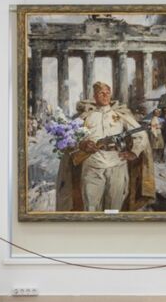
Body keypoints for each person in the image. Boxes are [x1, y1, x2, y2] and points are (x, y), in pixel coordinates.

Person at [55, 82, 155, 212]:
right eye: (101, 93)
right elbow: (70, 138)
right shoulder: (85, 116)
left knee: (113, 209)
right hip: (92, 165)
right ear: (95, 96)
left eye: (107, 93)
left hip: (117, 164)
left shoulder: (120, 114)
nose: (105, 95)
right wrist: (82, 144)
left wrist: (134, 152)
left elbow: (141, 134)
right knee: (91, 207)